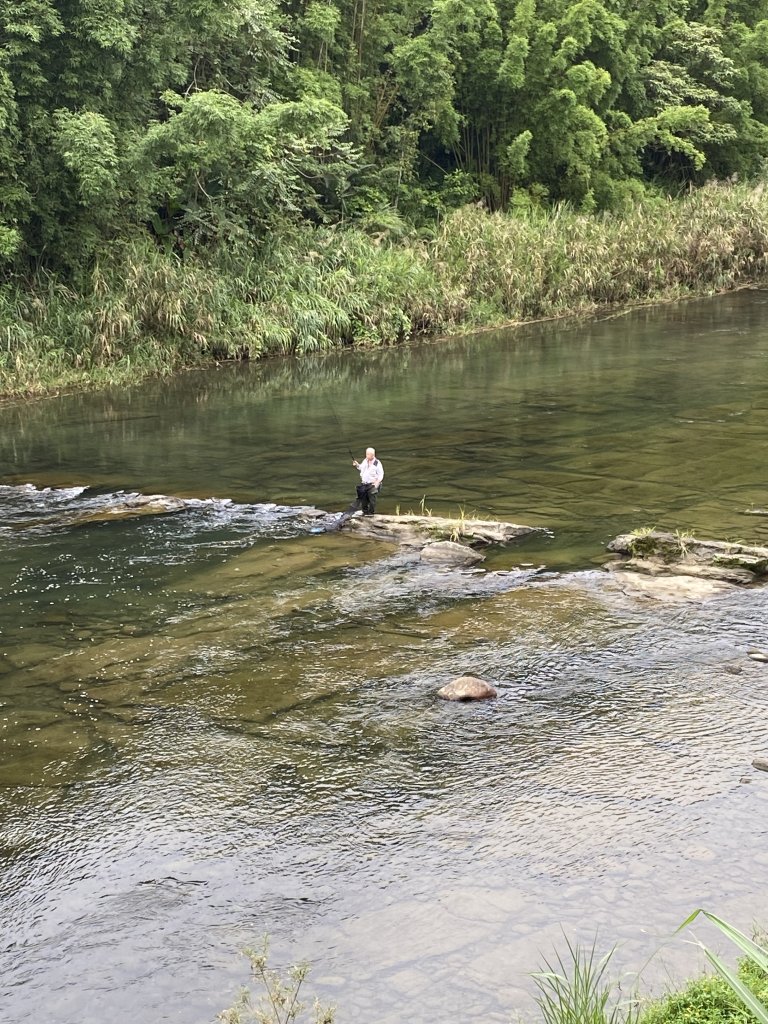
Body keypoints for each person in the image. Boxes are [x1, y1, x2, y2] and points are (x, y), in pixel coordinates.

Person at [352, 447, 384, 516]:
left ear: (373, 455)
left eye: (368, 455)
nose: (366, 456)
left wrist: (376, 483)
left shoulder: (377, 463)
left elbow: (381, 475)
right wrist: (357, 465)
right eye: (366, 454)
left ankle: (371, 514)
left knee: (372, 500)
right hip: (364, 484)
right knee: (364, 500)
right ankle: (365, 513)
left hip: (373, 484)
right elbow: (361, 468)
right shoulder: (365, 460)